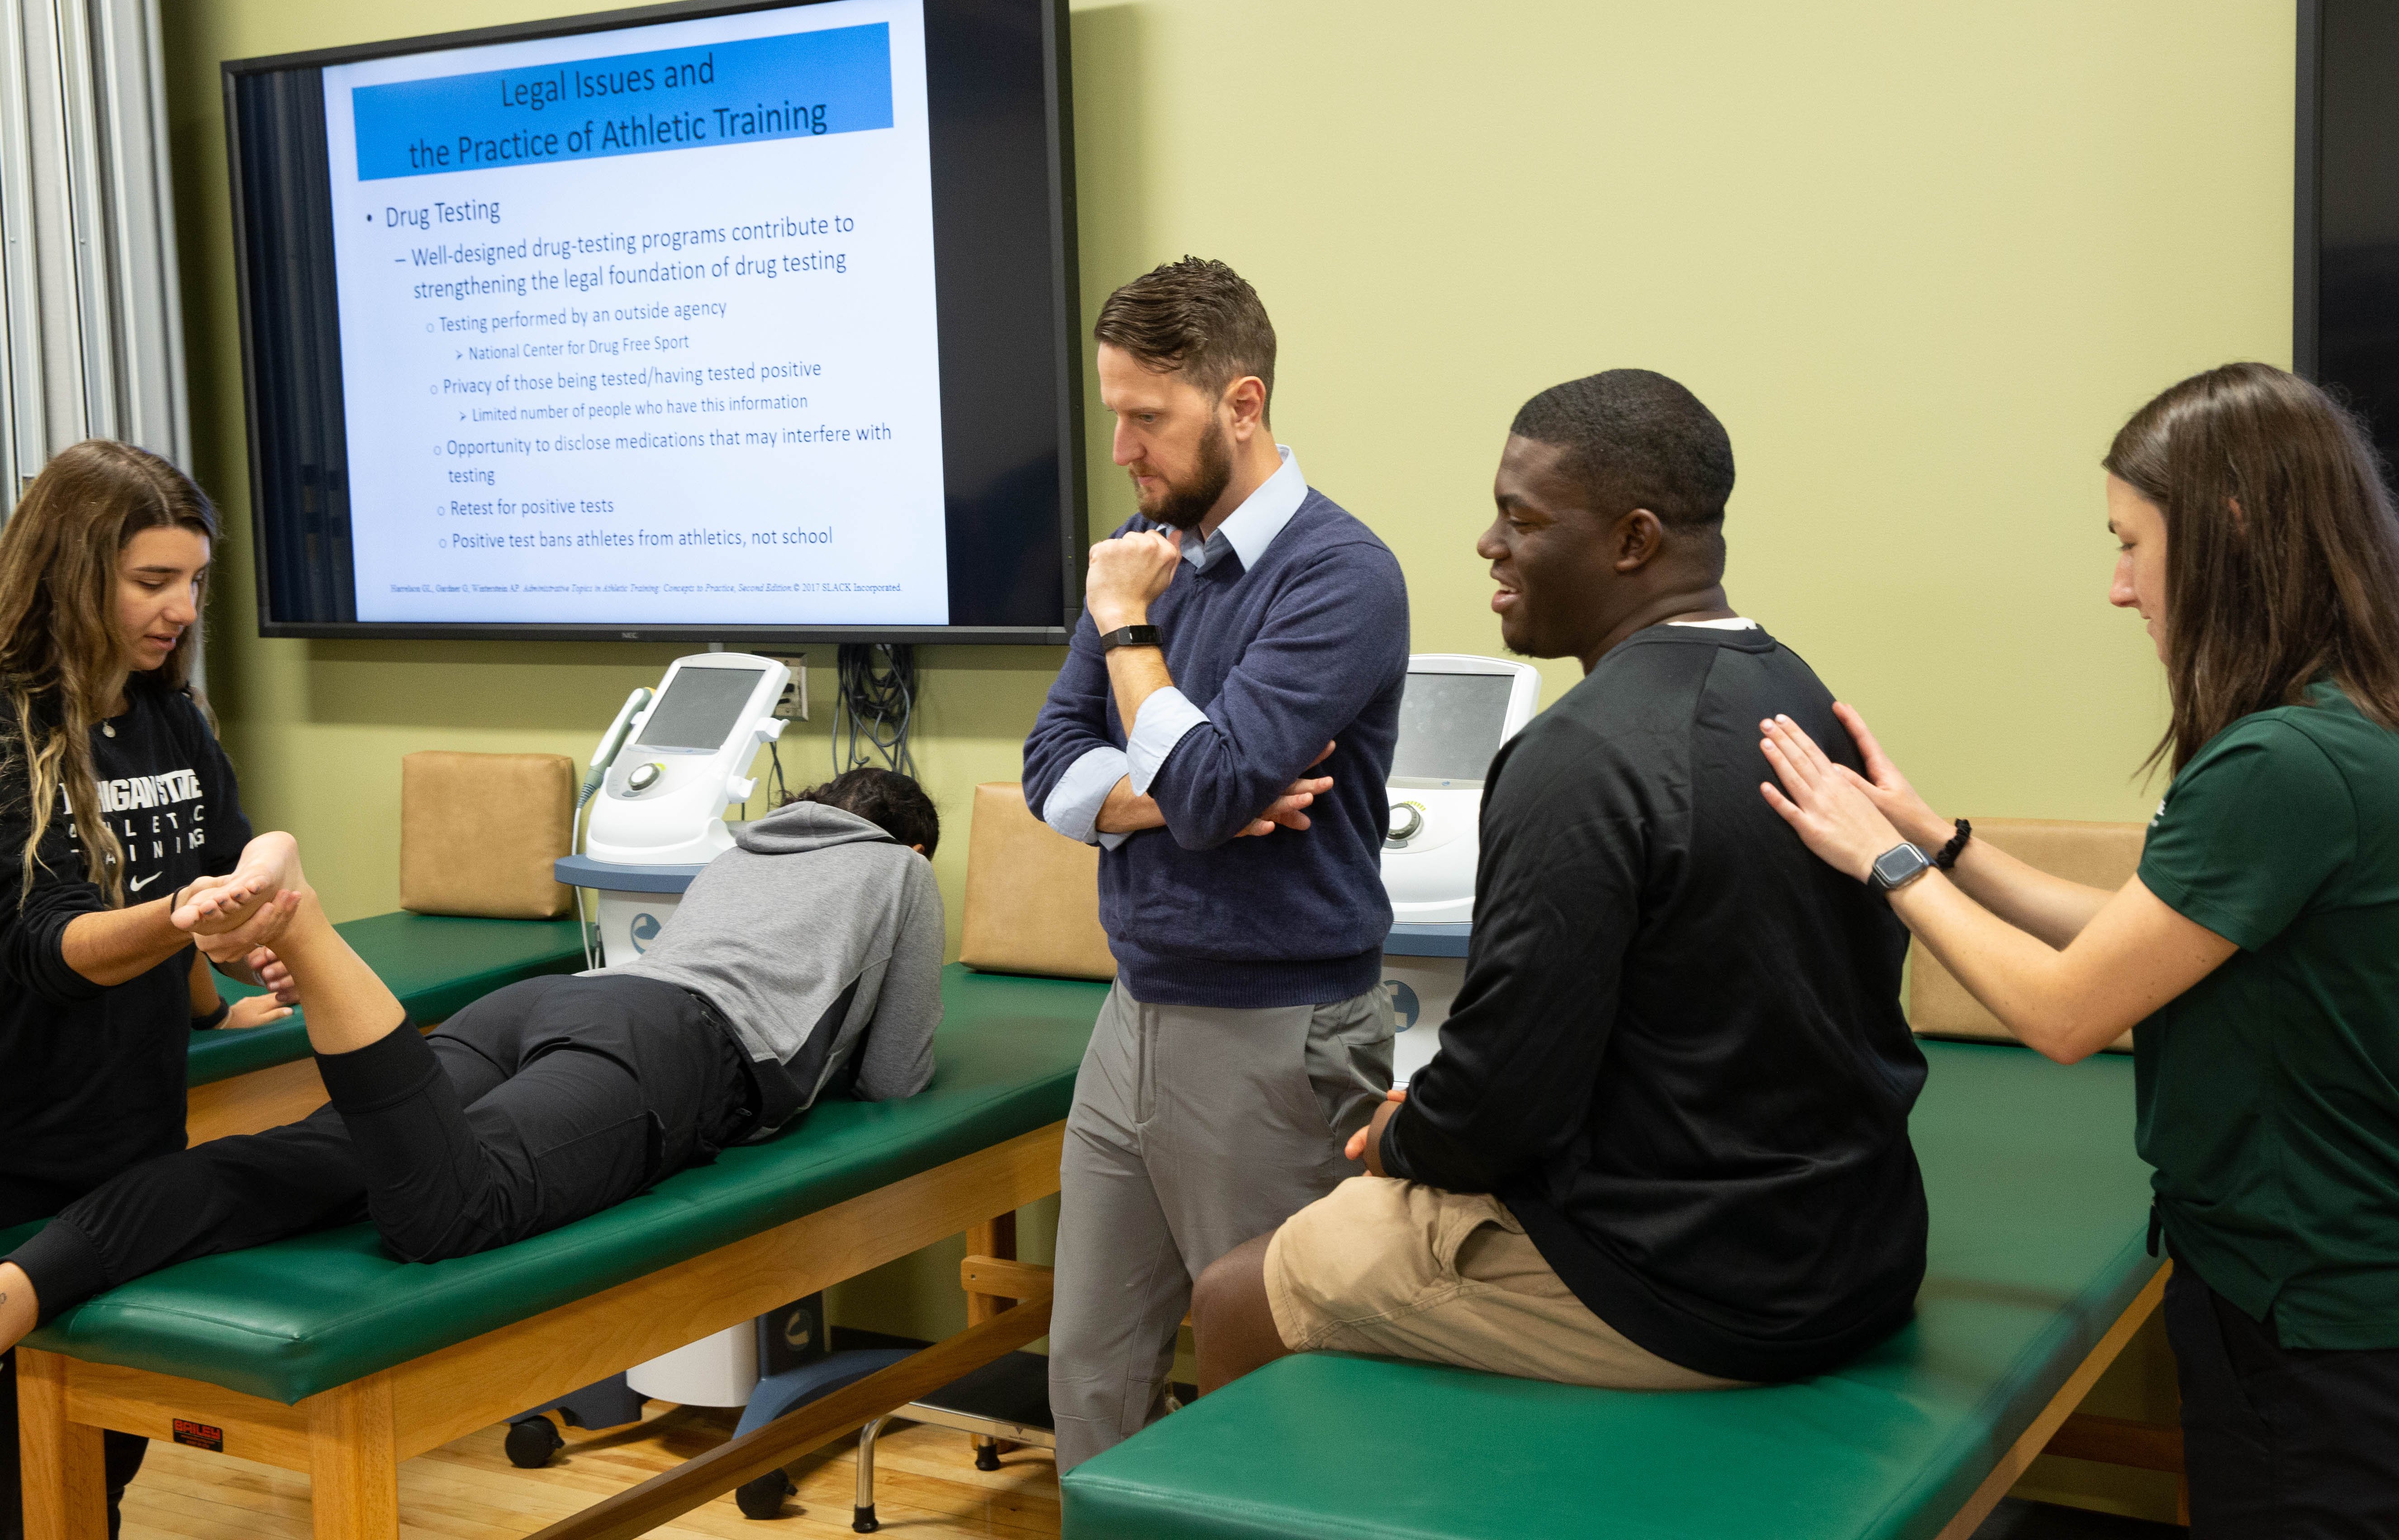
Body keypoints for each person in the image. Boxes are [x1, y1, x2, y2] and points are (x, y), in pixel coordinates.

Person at [1753, 362, 2399, 1538]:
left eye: (2132, 544)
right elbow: (2139, 940)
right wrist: (1938, 839)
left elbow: (2064, 1014)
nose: (2120, 587)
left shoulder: (2285, 764)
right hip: (2352, 1308)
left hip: (2328, 1333)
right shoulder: (2381, 725)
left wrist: (1880, 865)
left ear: (2230, 529)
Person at [1191, 369, 1927, 1397]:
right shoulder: (1797, 693)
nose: (1489, 545)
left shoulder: (1578, 757)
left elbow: (1500, 1111)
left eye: (1522, 520)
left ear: (1633, 542)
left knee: (1233, 1292)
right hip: (1861, 1244)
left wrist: (1400, 1135)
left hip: (1698, 1289)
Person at [0, 766, 945, 1356]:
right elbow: (897, 1071)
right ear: (911, 843)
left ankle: (27, 1281)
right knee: (452, 1209)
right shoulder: (901, 868)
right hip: (672, 1043)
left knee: (314, 1158)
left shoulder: (739, 849)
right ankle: (306, 931)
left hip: (553, 1002)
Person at [1020, 257, 1409, 1469]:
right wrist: (1183, 794)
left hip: (1276, 1033)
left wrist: (1130, 636)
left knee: (1282, 1387)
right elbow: (1051, 769)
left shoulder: (1339, 576)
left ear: (1243, 405)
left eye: (1149, 417)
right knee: (1089, 1372)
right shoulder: (1141, 550)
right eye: (1115, 415)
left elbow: (1214, 786)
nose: (1123, 450)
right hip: (1133, 1014)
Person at [0, 441, 294, 1540]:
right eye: (153, 582)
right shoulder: (13, 726)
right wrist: (184, 921)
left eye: (196, 582)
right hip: (17, 1146)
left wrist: (234, 961)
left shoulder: (171, 717)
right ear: (73, 573)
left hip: (129, 1138)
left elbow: (212, 874)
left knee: (97, 1471)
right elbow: (51, 945)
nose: (182, 609)